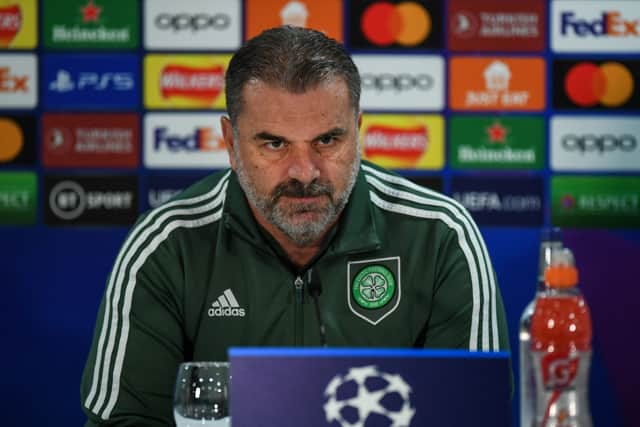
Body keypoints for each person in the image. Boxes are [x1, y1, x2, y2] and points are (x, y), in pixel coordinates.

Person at [80, 26, 510, 426]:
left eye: (327, 140)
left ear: (357, 134)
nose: (305, 172)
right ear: (231, 145)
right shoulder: (166, 246)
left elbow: (473, 417)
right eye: (274, 143)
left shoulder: (439, 236)